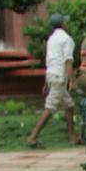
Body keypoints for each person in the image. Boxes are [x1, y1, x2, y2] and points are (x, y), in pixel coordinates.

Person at [27, 12, 76, 146]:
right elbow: (68, 61)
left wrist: (46, 82)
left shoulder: (51, 39)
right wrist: (72, 80)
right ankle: (33, 136)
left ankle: (73, 137)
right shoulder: (67, 39)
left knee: (69, 106)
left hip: (51, 75)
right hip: (60, 78)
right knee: (50, 108)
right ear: (62, 24)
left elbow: (49, 61)